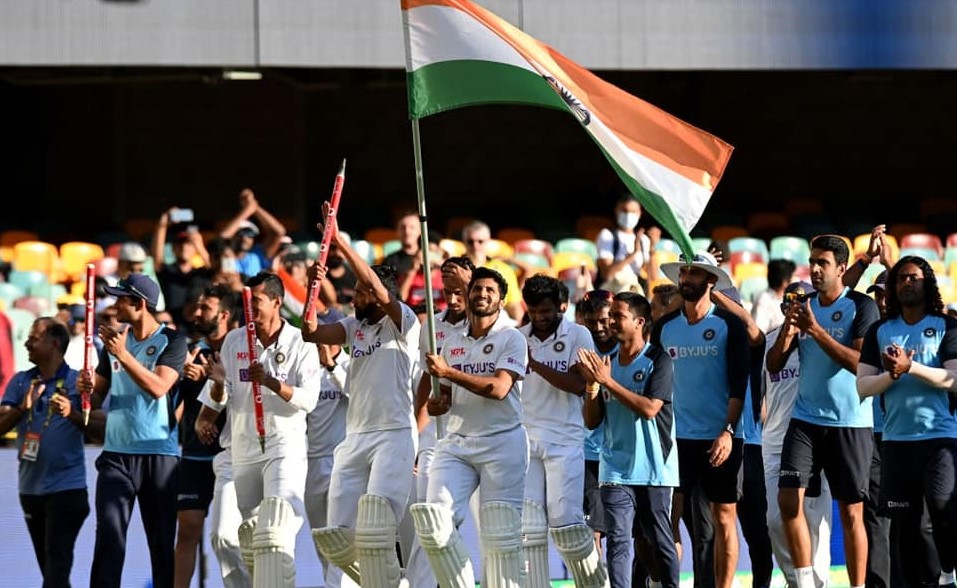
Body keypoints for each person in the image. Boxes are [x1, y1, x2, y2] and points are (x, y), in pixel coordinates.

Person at [304, 214, 420, 588]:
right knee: (338, 536)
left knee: (376, 526)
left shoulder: (403, 323)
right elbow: (310, 333)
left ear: (382, 294)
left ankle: (392, 583)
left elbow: (374, 283)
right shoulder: (354, 327)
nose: (356, 297)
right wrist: (312, 290)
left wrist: (338, 242)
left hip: (394, 435)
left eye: (363, 291)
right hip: (354, 438)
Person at [767, 235, 880, 588]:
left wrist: (815, 330)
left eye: (823, 263)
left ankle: (857, 585)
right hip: (805, 420)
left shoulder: (862, 307)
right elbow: (773, 365)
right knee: (788, 500)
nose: (814, 269)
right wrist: (789, 327)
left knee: (851, 511)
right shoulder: (804, 305)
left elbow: (861, 363)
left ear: (841, 269)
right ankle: (803, 582)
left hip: (851, 422)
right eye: (812, 261)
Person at [196, 271, 321, 588]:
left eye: (259, 301)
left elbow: (309, 400)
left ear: (278, 302)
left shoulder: (301, 343)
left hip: (283, 451)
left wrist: (270, 382)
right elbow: (222, 398)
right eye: (247, 302)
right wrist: (215, 394)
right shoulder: (234, 340)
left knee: (274, 536)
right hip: (239, 452)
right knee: (225, 537)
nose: (250, 309)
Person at [409, 267, 530, 587]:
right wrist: (437, 404)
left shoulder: (512, 338)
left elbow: (499, 389)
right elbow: (444, 397)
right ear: (468, 294)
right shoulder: (451, 343)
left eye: (490, 290)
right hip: (457, 442)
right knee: (435, 524)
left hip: (503, 443)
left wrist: (450, 372)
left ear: (501, 301)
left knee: (500, 535)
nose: (482, 294)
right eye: (477, 289)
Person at [79, 273, 188, 588]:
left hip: (159, 455)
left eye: (120, 299)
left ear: (140, 304)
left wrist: (123, 354)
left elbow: (159, 387)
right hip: (116, 456)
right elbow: (97, 397)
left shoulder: (172, 340)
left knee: (161, 544)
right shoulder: (114, 342)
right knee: (109, 539)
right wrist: (86, 388)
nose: (114, 306)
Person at [857, 256, 957, 587]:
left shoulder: (946, 326)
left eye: (913, 277)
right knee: (904, 524)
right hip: (897, 442)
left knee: (942, 509)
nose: (907, 283)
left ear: (926, 282)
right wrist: (892, 375)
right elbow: (863, 386)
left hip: (940, 438)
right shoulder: (879, 331)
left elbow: (954, 380)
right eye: (901, 278)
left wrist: (911, 368)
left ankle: (947, 573)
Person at [652, 251, 749, 588]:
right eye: (683, 274)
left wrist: (728, 430)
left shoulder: (729, 325)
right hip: (674, 440)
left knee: (724, 518)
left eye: (694, 274)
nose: (686, 279)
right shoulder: (664, 327)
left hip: (719, 438)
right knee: (670, 518)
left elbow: (739, 383)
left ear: (711, 281)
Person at [579, 292, 679, 588]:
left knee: (659, 542)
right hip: (615, 469)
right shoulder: (605, 363)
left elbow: (650, 409)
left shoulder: (658, 360)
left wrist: (607, 381)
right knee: (619, 541)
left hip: (654, 469)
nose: (610, 321)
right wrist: (591, 387)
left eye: (618, 316)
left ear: (639, 322)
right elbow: (592, 421)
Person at [518, 274, 606, 587]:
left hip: (565, 441)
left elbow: (578, 385)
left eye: (545, 311)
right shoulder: (517, 336)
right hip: (526, 441)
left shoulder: (578, 334)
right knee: (528, 528)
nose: (539, 318)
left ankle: (596, 583)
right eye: (533, 311)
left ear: (562, 306)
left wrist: (535, 363)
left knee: (566, 525)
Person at [0, 318, 97, 588]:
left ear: (54, 343)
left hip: (67, 490)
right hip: (30, 491)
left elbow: (100, 428)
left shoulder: (78, 381)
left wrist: (75, 414)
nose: (26, 343)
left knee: (56, 562)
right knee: (53, 571)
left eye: (34, 337)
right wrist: (21, 408)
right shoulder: (21, 381)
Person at [405, 255, 474, 588]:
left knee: (493, 528)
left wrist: (468, 281)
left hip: (483, 438)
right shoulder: (433, 326)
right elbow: (424, 380)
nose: (455, 299)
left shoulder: (490, 322)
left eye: (462, 290)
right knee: (428, 519)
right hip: (439, 436)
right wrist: (418, 437)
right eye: (449, 292)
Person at [761, 282, 833, 588]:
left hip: (814, 443)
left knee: (816, 525)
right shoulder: (767, 343)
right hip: (775, 443)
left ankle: (818, 583)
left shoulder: (821, 342)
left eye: (803, 302)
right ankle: (797, 583)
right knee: (776, 521)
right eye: (790, 303)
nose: (796, 308)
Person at [174, 284, 237, 588]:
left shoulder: (239, 350)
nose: (197, 312)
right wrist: (184, 379)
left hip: (233, 454)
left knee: (231, 534)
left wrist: (215, 381)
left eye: (205, 308)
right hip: (195, 453)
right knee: (187, 530)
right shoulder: (192, 352)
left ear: (223, 314)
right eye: (198, 306)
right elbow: (178, 410)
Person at [303, 307, 351, 588]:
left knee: (340, 537)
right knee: (321, 538)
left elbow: (355, 395)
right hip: (311, 463)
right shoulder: (308, 369)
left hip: (342, 462)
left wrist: (332, 367)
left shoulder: (351, 363)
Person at [577, 290, 617, 557]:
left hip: (620, 457)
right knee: (593, 531)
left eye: (605, 320)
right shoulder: (579, 351)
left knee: (623, 531)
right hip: (588, 453)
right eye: (592, 322)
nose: (599, 328)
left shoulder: (626, 350)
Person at [154, 211, 212, 330]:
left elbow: (214, 269)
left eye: (188, 244)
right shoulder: (168, 271)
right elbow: (157, 258)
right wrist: (163, 224)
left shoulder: (201, 273)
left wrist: (199, 245)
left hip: (198, 328)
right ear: (173, 248)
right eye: (180, 244)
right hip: (172, 327)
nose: (184, 247)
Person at [595, 194, 659, 294]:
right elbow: (607, 274)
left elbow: (653, 277)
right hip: (612, 291)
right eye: (625, 211)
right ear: (616, 211)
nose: (629, 215)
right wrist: (633, 254)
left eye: (633, 212)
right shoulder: (607, 235)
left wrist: (652, 248)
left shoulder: (643, 239)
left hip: (634, 292)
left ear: (640, 213)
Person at [218, 188, 289, 279]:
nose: (245, 237)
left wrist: (255, 206)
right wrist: (247, 210)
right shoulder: (227, 255)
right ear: (233, 236)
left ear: (254, 239)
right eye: (240, 233)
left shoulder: (257, 255)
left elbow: (279, 232)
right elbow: (221, 239)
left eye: (250, 233)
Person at [462, 220, 524, 321]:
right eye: (470, 242)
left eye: (480, 241)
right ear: (464, 242)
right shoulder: (456, 268)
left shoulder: (504, 269)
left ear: (488, 242)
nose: (475, 246)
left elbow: (513, 304)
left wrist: (521, 327)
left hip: (498, 321)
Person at [751, 259, 796, 333]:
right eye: (792, 278)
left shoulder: (789, 299)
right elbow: (758, 335)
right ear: (784, 282)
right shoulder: (764, 301)